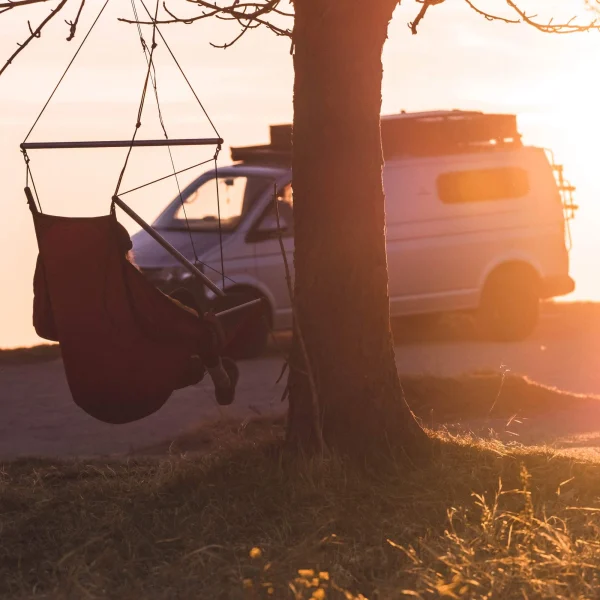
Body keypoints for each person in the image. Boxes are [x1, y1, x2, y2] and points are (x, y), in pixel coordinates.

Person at [116, 221, 239, 406]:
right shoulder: (126, 280)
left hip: (126, 343)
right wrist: (200, 321)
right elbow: (156, 306)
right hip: (146, 351)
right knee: (192, 315)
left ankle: (211, 362)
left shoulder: (97, 285)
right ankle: (220, 377)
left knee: (182, 296)